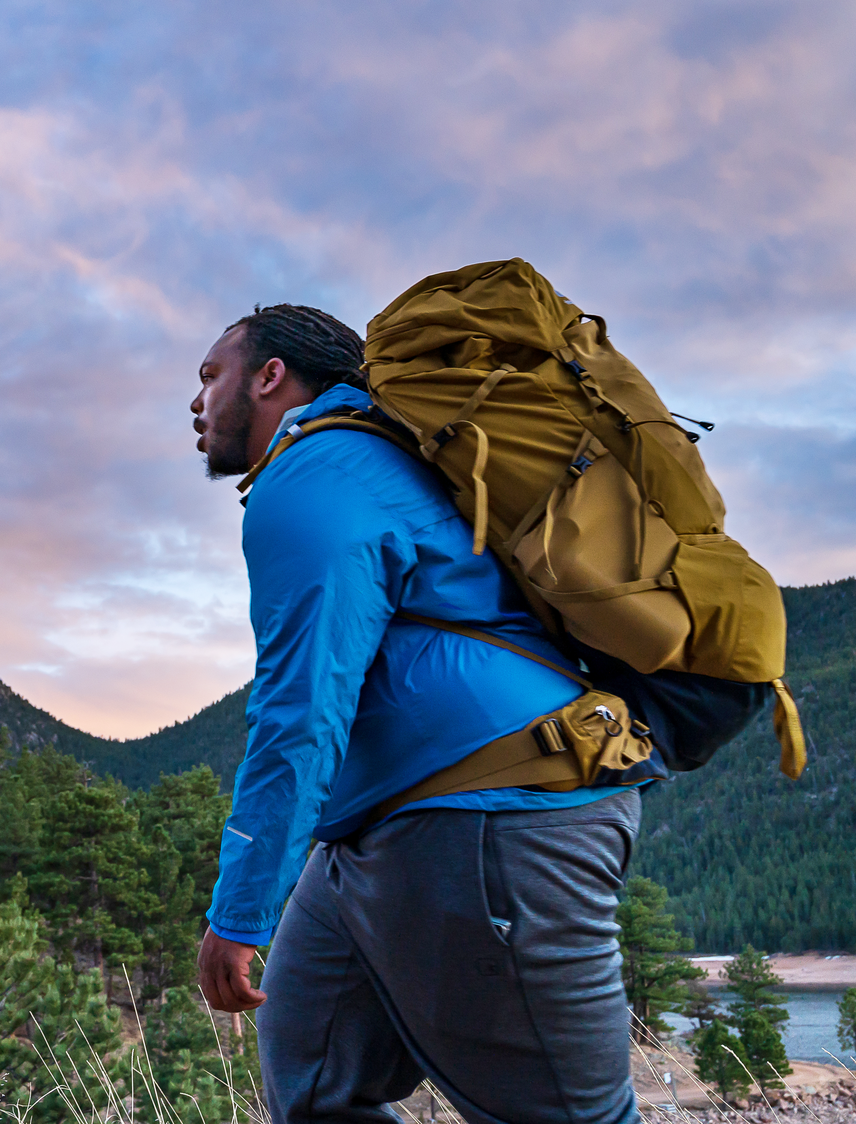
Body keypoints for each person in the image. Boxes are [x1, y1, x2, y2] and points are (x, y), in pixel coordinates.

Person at [189, 303, 646, 1124]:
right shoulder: (379, 465)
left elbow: (301, 711)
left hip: (496, 817)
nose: (196, 401)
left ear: (269, 377)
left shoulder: (316, 477)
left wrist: (240, 910)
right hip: (386, 826)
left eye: (209, 375)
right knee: (316, 1085)